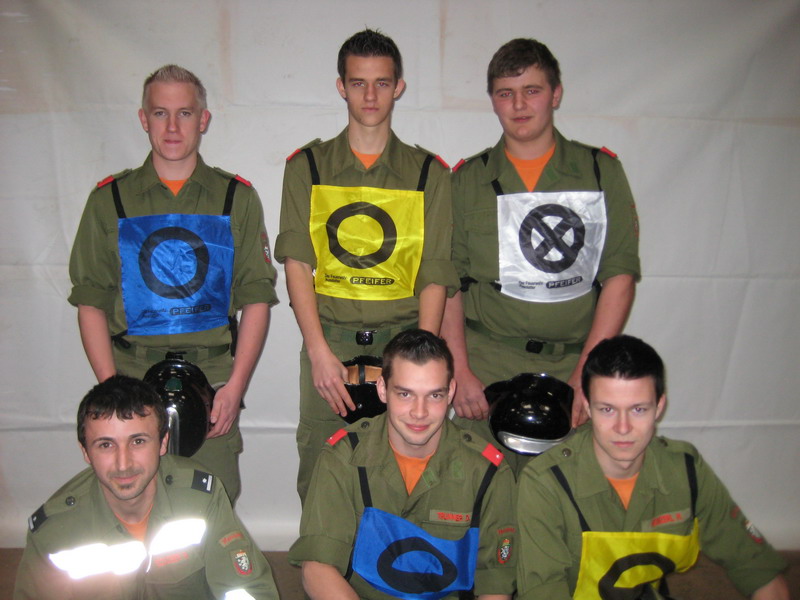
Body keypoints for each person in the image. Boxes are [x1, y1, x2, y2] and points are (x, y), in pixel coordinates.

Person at [68, 64, 278, 503]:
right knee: (131, 503)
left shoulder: (235, 198)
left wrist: (235, 387)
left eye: (185, 113)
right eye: (160, 113)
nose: (172, 126)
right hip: (131, 371)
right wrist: (112, 390)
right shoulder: (110, 200)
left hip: (213, 380)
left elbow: (256, 297)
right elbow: (90, 300)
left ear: (203, 119)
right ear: (143, 119)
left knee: (211, 501)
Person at [441, 38, 640, 473]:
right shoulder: (467, 181)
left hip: (573, 362)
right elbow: (448, 283)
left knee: (566, 492)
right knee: (480, 487)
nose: (519, 105)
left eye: (531, 90)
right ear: (492, 100)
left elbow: (620, 276)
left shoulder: (599, 172)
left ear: (556, 93)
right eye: (505, 93)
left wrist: (589, 370)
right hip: (487, 362)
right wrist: (459, 370)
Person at [275, 29, 457, 502]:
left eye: (382, 83)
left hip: (402, 344)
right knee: (323, 475)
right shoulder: (308, 167)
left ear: (399, 87)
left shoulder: (428, 174)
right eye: (358, 83)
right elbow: (297, 264)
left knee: (406, 479)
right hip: (329, 346)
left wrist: (419, 364)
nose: (370, 96)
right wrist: (317, 351)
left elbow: (435, 273)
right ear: (342, 87)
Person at [516, 335, 789, 599]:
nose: (623, 428)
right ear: (587, 407)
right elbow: (543, 591)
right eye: (607, 409)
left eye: (638, 409)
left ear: (659, 407)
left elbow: (759, 570)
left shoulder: (686, 470)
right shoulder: (545, 483)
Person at [288, 329, 516, 599]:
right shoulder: (343, 457)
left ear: (451, 392)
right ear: (382, 389)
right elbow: (317, 568)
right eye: (405, 394)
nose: (419, 412)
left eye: (434, 395)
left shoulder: (487, 471)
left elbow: (496, 584)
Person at [14, 375, 279, 600]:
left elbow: (245, 590)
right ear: (85, 452)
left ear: (163, 442)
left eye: (138, 441)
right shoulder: (55, 531)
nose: (123, 464)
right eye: (106, 445)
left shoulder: (199, 499)